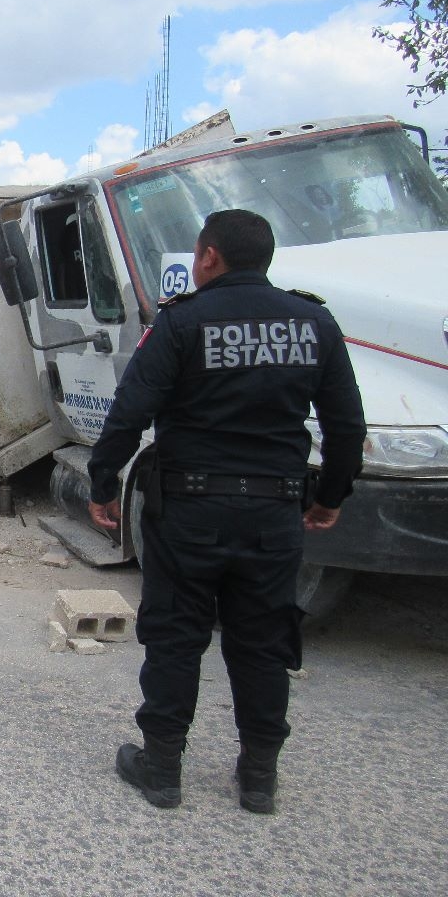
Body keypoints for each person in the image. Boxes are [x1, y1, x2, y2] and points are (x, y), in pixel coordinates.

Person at [85, 209, 366, 815]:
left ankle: (162, 769)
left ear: (209, 257)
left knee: (175, 636)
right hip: (272, 514)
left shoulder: (183, 322)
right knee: (263, 642)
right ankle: (259, 778)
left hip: (189, 509)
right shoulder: (313, 321)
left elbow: (131, 408)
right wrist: (330, 497)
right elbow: (347, 423)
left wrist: (103, 480)